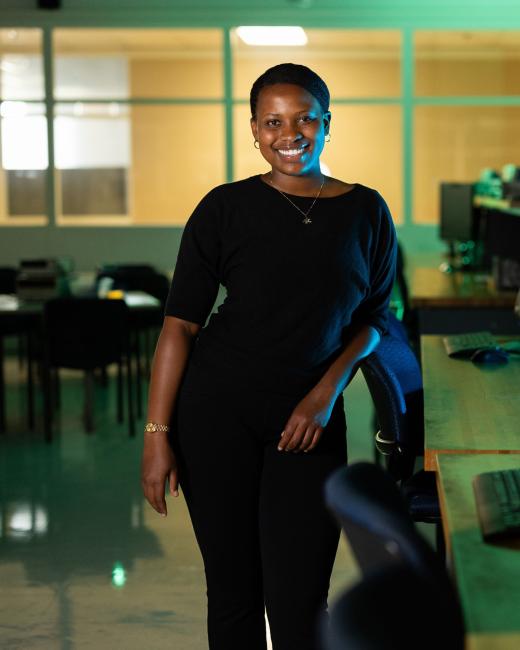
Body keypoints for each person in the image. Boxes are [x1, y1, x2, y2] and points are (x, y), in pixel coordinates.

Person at [141, 63, 397, 650]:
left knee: (301, 595)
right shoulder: (224, 208)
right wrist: (157, 434)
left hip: (309, 422)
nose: (291, 133)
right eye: (273, 121)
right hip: (215, 414)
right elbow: (180, 324)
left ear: (328, 123)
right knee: (232, 590)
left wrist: (323, 394)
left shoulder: (366, 211)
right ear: (253, 129)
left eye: (306, 117)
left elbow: (375, 321)